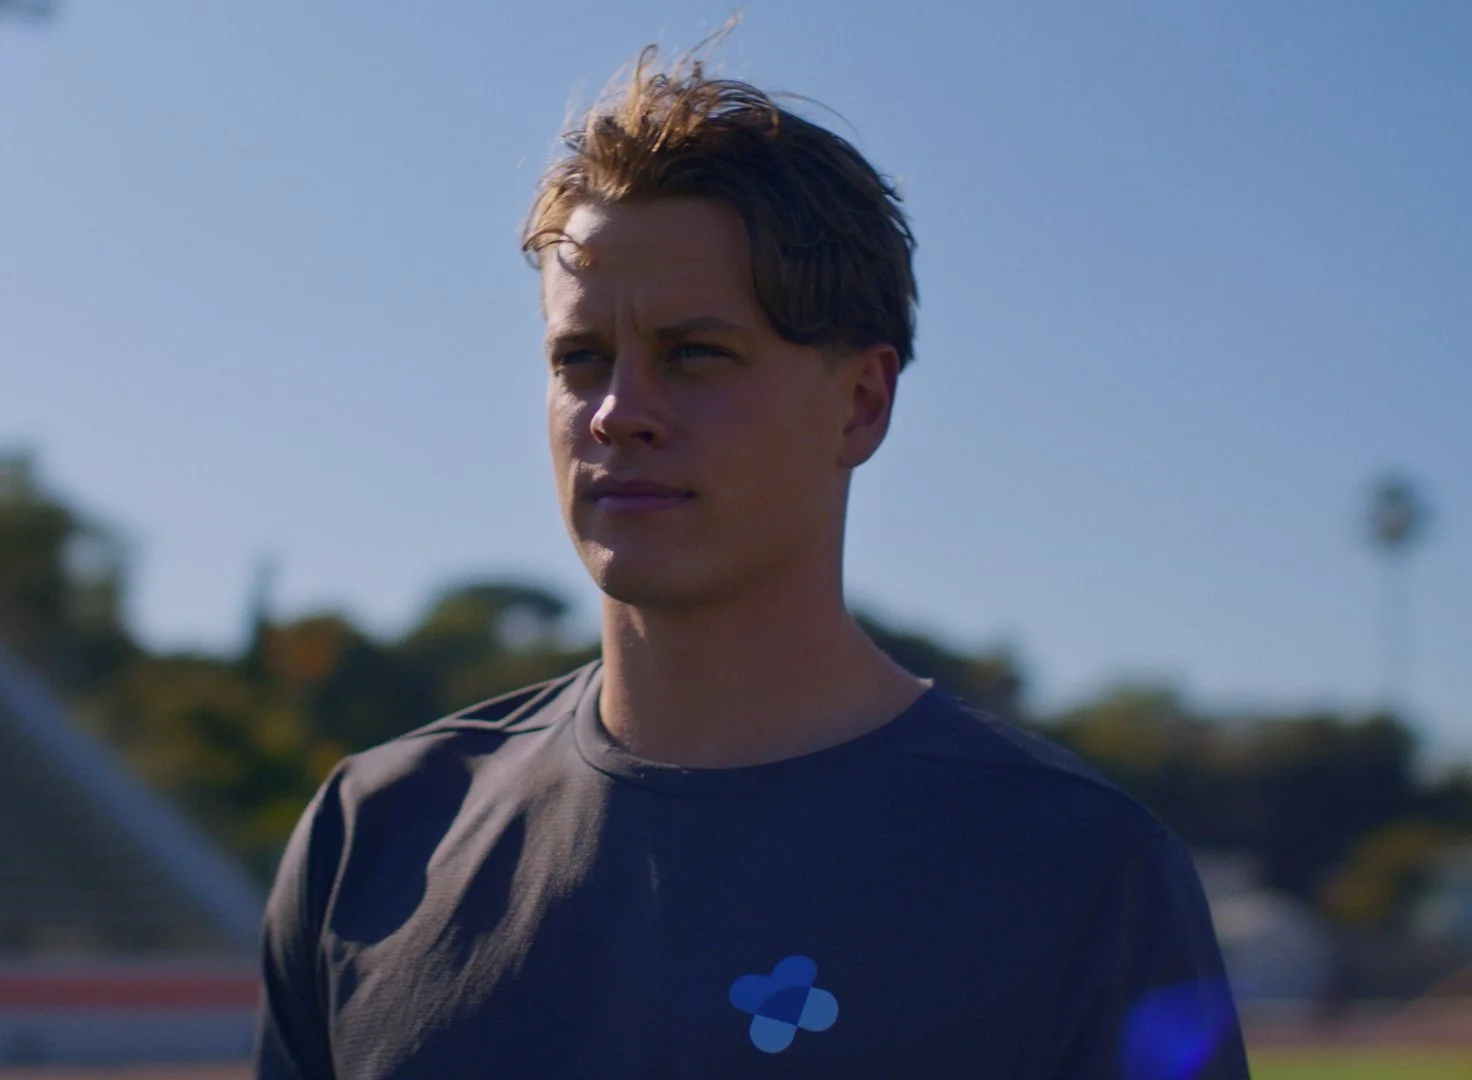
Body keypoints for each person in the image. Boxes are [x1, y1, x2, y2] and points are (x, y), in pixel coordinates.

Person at [254, 36, 1249, 1080]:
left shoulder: (1078, 874)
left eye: (695, 354)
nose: (617, 413)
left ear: (861, 403)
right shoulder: (371, 839)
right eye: (580, 358)